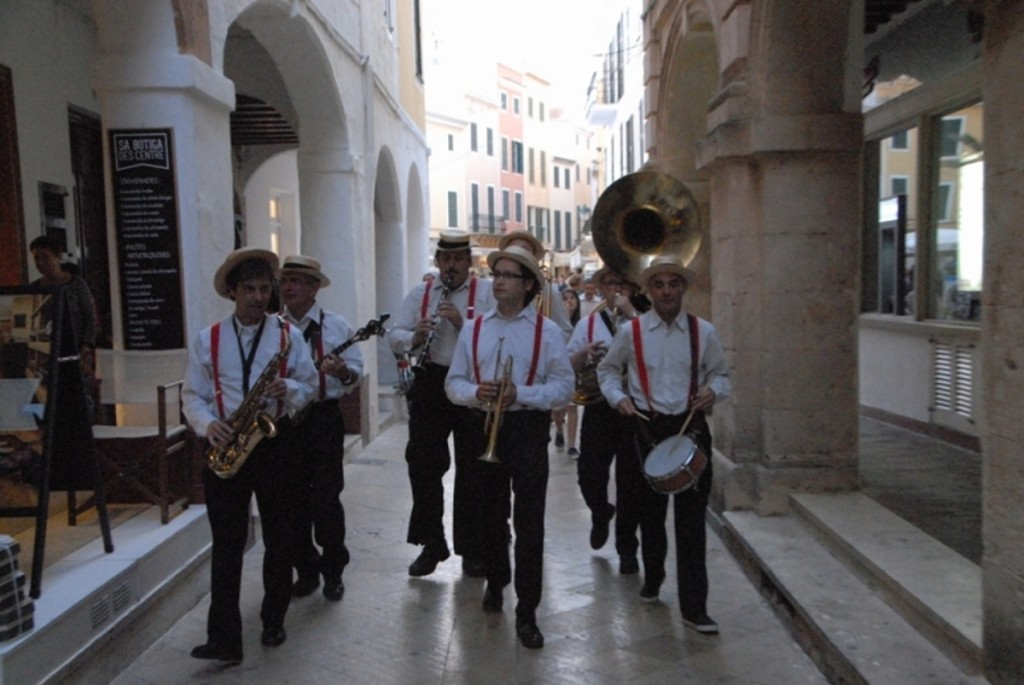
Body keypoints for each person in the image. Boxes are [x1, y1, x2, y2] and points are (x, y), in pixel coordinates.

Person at [182, 247, 317, 662]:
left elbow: (309, 385)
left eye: (264, 288)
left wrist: (288, 390)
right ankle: (224, 637)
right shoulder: (208, 340)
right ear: (232, 292)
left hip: (275, 445)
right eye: (249, 289)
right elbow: (194, 396)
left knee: (279, 537)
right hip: (227, 444)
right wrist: (208, 425)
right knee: (226, 543)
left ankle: (273, 620)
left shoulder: (287, 336)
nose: (259, 297)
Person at [445, 245, 573, 649]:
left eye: (507, 275)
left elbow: (564, 387)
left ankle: (528, 611)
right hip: (483, 429)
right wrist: (474, 392)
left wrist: (523, 393)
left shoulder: (548, 332)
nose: (497, 281)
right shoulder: (474, 327)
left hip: (527, 430)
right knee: (490, 517)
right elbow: (454, 383)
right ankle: (497, 581)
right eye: (495, 273)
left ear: (528, 285)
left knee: (530, 523)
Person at [597, 255, 730, 635]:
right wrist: (617, 397)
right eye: (659, 285)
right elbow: (607, 370)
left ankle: (694, 606)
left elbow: (722, 375)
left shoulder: (704, 332)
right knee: (649, 517)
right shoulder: (631, 332)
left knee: (692, 523)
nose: (667, 291)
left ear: (683, 289)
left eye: (674, 284)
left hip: (690, 427)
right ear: (649, 290)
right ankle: (652, 577)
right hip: (646, 428)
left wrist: (713, 392)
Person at [386, 230, 494, 578]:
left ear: (468, 261)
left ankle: (473, 549)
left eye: (458, 259)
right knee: (423, 463)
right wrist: (414, 336)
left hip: (469, 381)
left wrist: (463, 324)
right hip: (431, 381)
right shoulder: (421, 293)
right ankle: (432, 543)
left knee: (472, 469)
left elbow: (493, 339)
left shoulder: (487, 293)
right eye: (445, 259)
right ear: (438, 262)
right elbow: (394, 335)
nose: (451, 266)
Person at [279, 255, 362, 603]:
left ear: (314, 288)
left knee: (326, 499)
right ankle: (306, 569)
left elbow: (355, 375)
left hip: (324, 419)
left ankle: (333, 571)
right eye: (285, 281)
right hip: (285, 423)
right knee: (292, 501)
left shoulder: (337, 326)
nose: (289, 287)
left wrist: (341, 372)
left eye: (298, 281)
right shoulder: (272, 328)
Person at [567, 266, 645, 573]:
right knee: (589, 474)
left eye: (622, 283)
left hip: (633, 409)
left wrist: (631, 313)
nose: (616, 289)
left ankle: (628, 548)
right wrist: (585, 354)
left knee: (631, 483)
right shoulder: (588, 324)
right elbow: (567, 363)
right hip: (599, 406)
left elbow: (653, 355)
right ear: (601, 288)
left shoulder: (643, 323)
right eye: (611, 283)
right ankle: (600, 512)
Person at [30, 236, 99, 415]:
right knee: (49, 399)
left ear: (57, 256)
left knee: (81, 400)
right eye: (36, 258)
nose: (40, 262)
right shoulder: (34, 288)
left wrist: (86, 347)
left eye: (45, 257)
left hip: (77, 352)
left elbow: (90, 318)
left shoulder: (77, 284)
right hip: (47, 355)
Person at [552, 288, 581, 457]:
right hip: (557, 367)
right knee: (558, 408)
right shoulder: (554, 323)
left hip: (573, 367)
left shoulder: (580, 323)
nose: (569, 301)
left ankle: (571, 444)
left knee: (572, 406)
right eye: (565, 298)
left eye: (572, 298)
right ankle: (559, 429)